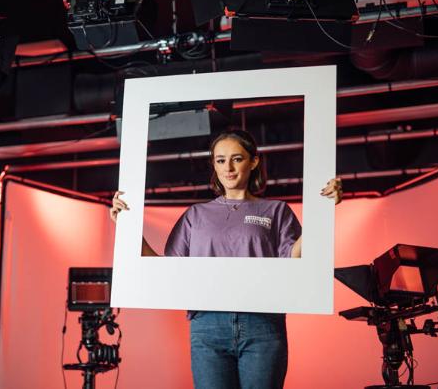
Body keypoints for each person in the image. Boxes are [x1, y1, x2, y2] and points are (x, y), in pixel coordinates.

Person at [110, 129, 342, 389]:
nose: (228, 168)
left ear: (253, 162)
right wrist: (128, 227)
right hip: (207, 326)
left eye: (237, 159)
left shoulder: (276, 211)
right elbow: (166, 269)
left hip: (263, 325)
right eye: (220, 160)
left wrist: (324, 211)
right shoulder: (195, 215)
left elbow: (293, 257)